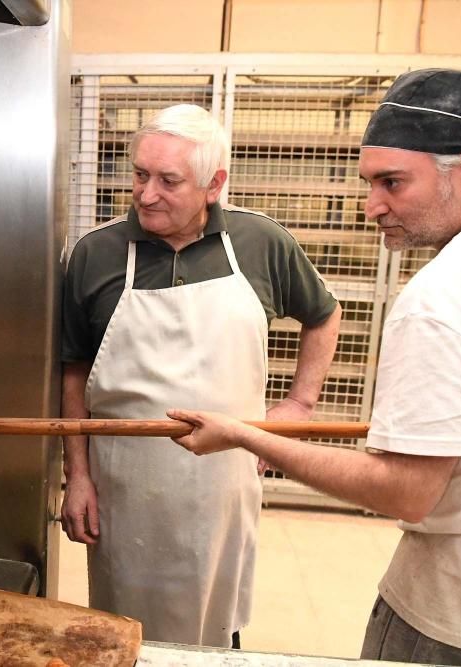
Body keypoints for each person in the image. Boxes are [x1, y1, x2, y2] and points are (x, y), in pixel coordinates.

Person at [168, 69, 461, 665]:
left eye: (393, 183)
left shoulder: (447, 296)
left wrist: (245, 433)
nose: (372, 207)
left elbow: (406, 491)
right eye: (369, 182)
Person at [60, 103, 342, 647]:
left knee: (215, 620)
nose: (146, 195)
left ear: (214, 184)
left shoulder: (261, 243)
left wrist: (299, 404)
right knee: (127, 629)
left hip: (224, 478)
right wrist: (78, 475)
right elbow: (74, 371)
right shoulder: (97, 254)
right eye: (140, 175)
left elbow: (324, 315)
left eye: (168, 181)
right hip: (126, 481)